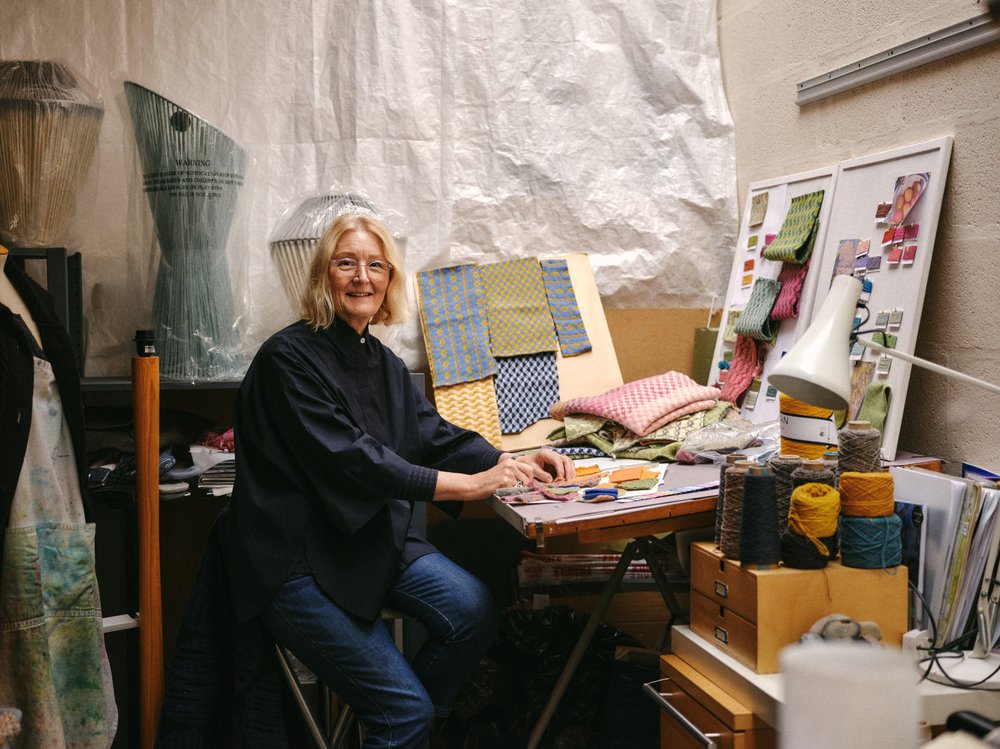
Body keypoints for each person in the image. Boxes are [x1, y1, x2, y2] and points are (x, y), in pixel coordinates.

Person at [223, 213, 574, 747]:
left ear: (388, 280)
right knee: (403, 711)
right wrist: (471, 486)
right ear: (323, 276)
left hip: (364, 543)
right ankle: (402, 727)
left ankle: (403, 733)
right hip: (294, 563)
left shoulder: (382, 362)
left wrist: (517, 459)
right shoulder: (286, 360)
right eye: (346, 263)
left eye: (375, 265)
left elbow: (435, 436)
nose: (361, 277)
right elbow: (358, 462)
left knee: (474, 610)